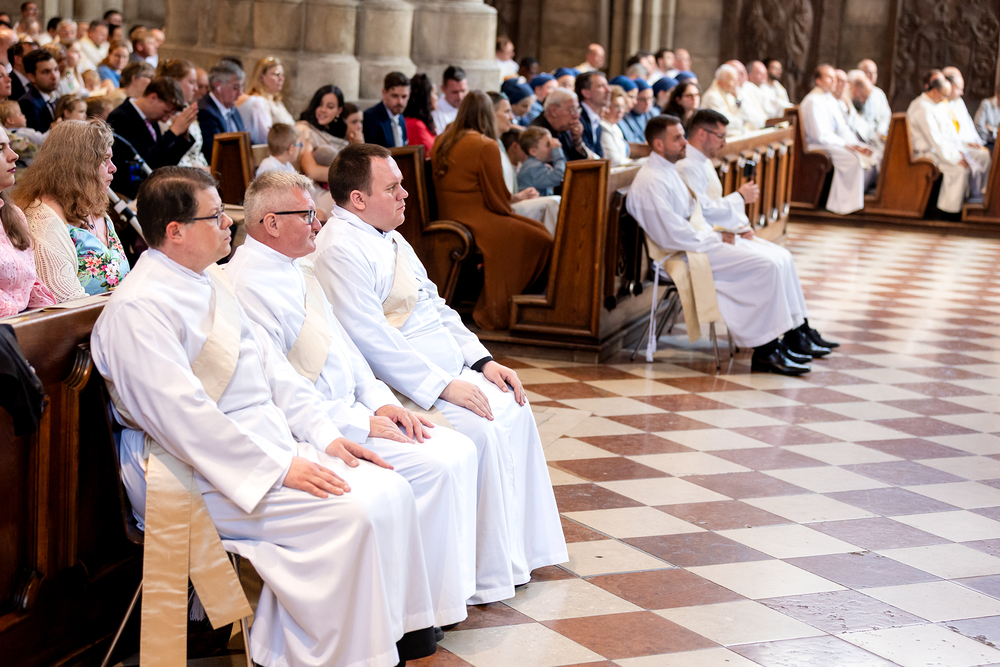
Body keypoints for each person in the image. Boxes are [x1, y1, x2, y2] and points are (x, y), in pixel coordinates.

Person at [91, 165, 440, 667]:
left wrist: (324, 435)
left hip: (258, 444)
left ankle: (385, 642)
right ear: (175, 231)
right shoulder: (138, 309)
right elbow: (183, 419)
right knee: (352, 512)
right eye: (215, 216)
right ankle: (312, 655)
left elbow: (274, 373)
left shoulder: (209, 280)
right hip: (185, 469)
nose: (229, 223)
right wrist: (279, 467)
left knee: (390, 490)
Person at [312, 143, 568, 603]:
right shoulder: (339, 248)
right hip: (405, 384)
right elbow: (369, 337)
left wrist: (482, 361)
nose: (405, 194)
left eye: (401, 185)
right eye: (393, 188)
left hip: (448, 367)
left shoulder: (389, 236)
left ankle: (520, 554)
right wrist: (443, 387)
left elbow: (437, 307)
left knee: (514, 405)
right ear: (358, 199)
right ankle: (482, 574)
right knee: (484, 426)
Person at [227, 170, 480, 630]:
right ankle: (408, 616)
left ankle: (432, 604)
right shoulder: (246, 284)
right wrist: (359, 425)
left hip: (352, 411)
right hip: (317, 428)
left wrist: (381, 403)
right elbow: (279, 388)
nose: (318, 224)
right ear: (271, 223)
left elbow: (346, 347)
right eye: (307, 215)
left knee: (457, 450)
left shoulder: (296, 265)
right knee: (434, 467)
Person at [628, 115, 833, 375]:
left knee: (778, 258)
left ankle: (784, 339)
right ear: (658, 144)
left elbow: (694, 215)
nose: (684, 142)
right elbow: (671, 234)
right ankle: (766, 350)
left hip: (697, 243)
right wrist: (716, 237)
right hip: (681, 253)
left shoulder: (667, 170)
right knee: (765, 266)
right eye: (677, 138)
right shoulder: (650, 181)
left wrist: (723, 232)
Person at [677, 109, 831, 358]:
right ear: (702, 134)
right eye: (720, 136)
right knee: (768, 265)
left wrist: (740, 225)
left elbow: (709, 208)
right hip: (707, 240)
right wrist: (739, 198)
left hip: (721, 233)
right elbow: (700, 211)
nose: (724, 143)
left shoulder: (701, 162)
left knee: (783, 257)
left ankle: (798, 329)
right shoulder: (687, 166)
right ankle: (769, 343)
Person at [432, 92, 553, 330]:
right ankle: (497, 308)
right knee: (542, 238)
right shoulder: (485, 144)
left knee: (537, 230)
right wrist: (509, 204)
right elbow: (497, 198)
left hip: (449, 214)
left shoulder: (443, 139)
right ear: (487, 115)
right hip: (474, 218)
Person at [19, 120, 129, 302]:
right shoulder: (43, 221)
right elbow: (67, 304)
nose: (113, 168)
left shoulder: (95, 208)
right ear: (78, 166)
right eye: (104, 160)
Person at [800, 64, 878, 215]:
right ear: (818, 81)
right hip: (816, 145)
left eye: (834, 78)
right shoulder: (812, 101)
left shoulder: (829, 99)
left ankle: (853, 201)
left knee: (863, 154)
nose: (834, 81)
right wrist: (847, 145)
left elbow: (842, 128)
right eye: (830, 77)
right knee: (852, 159)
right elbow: (819, 135)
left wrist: (856, 145)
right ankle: (842, 205)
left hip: (831, 142)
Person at [908, 69, 988, 214]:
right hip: (926, 154)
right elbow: (935, 140)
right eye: (944, 95)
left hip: (937, 150)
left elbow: (947, 134)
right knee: (958, 169)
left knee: (971, 160)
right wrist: (955, 158)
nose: (946, 99)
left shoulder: (936, 105)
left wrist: (959, 150)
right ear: (935, 91)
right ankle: (947, 211)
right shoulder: (922, 108)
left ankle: (963, 203)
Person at [107, 76, 198, 198]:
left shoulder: (151, 120)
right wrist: (172, 133)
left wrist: (182, 136)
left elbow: (163, 163)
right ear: (153, 97)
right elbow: (141, 165)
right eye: (165, 111)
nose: (165, 119)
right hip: (129, 191)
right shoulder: (120, 118)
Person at [0, 131, 55, 315]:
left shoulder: (14, 214)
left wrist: (48, 315)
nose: (14, 155)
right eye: (0, 149)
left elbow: (30, 284)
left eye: (9, 146)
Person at [489, 90, 559, 234]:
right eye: (507, 111)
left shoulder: (497, 142)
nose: (511, 117)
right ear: (491, 114)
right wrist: (517, 197)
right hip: (500, 210)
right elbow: (492, 193)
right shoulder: (487, 145)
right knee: (553, 203)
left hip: (510, 203)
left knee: (555, 201)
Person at [157, 58, 209, 170]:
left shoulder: (187, 108)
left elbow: (197, 152)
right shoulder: (165, 112)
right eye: (191, 82)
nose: (196, 88)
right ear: (174, 81)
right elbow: (168, 155)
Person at [235, 56, 294, 145]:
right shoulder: (257, 101)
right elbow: (264, 137)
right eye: (276, 74)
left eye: (282, 74)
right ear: (261, 77)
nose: (281, 79)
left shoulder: (278, 103)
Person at [197, 59, 245, 163]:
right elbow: (216, 152)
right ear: (218, 87)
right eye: (235, 87)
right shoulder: (205, 111)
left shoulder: (234, 110)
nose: (240, 93)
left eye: (241, 87)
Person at [529, 87, 596, 161]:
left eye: (577, 110)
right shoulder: (537, 133)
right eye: (572, 110)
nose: (577, 115)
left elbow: (580, 163)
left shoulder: (565, 129)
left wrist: (577, 141)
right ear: (553, 110)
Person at [943, 67, 988, 148]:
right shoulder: (940, 104)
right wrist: (965, 143)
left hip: (965, 144)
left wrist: (976, 142)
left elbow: (969, 126)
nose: (961, 93)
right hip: (952, 146)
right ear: (949, 85)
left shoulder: (959, 102)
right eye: (959, 89)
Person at [364, 71, 410, 149]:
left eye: (404, 97)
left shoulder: (401, 118)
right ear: (384, 93)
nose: (400, 102)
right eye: (395, 96)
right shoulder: (371, 117)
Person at [517, 126, 566, 197]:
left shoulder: (534, 165)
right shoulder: (532, 168)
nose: (552, 147)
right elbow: (559, 177)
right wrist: (557, 151)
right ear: (533, 151)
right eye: (548, 145)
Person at [18, 48, 60, 132]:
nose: (54, 76)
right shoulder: (27, 103)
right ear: (31, 77)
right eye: (46, 72)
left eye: (56, 69)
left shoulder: (56, 95)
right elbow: (39, 137)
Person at [2, 99, 44, 167]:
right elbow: (42, 139)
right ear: (10, 120)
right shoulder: (24, 132)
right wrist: (53, 128)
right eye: (20, 114)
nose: (24, 115)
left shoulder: (6, 135)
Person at [403, 72, 437, 153]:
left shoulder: (422, 123)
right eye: (435, 93)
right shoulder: (415, 125)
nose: (436, 98)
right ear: (426, 97)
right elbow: (432, 152)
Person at [856, 59, 891, 137]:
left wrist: (879, 132)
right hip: (859, 135)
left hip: (877, 136)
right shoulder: (854, 92)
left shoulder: (879, 94)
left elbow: (886, 117)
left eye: (875, 72)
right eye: (868, 72)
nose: (872, 76)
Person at [431, 65, 468, 134]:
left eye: (463, 91)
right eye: (455, 92)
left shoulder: (470, 110)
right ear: (443, 89)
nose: (460, 97)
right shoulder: (435, 114)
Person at [600, 85, 631, 166]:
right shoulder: (602, 128)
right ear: (607, 106)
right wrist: (636, 162)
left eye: (623, 107)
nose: (621, 111)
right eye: (616, 106)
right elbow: (614, 161)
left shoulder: (615, 127)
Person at [620, 77, 658, 143]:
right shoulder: (621, 116)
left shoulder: (653, 113)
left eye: (650, 98)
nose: (648, 103)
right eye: (642, 99)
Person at [975, 85, 999, 151]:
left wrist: (992, 130)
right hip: (984, 142)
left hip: (996, 143)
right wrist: (995, 133)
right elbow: (979, 126)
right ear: (997, 93)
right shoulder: (986, 104)